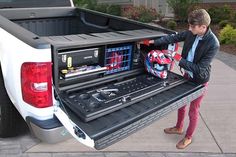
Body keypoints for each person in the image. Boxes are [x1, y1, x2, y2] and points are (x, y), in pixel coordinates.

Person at [145, 9, 219, 149]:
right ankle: (179, 128)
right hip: (186, 75)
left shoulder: (213, 44)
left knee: (193, 110)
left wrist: (177, 57)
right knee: (181, 104)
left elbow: (199, 69)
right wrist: (152, 42)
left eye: (192, 26)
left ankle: (188, 137)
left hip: (199, 80)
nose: (189, 29)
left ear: (203, 27)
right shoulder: (191, 33)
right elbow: (173, 38)